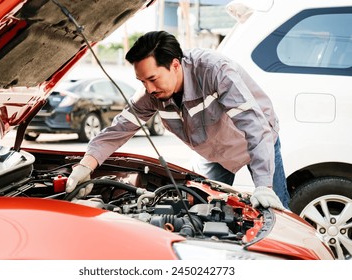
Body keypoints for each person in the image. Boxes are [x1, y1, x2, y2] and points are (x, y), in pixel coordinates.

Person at [66, 31, 290, 210]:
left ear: (175, 65)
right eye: (142, 81)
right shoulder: (151, 95)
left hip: (257, 141)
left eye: (153, 79)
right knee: (203, 209)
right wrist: (85, 166)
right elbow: (119, 129)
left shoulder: (215, 71)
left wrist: (263, 186)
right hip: (212, 155)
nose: (149, 89)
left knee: (275, 207)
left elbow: (253, 123)